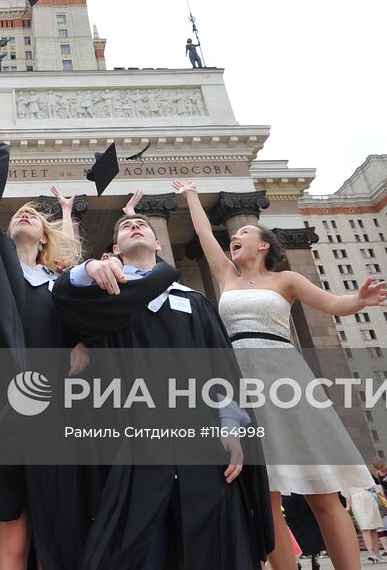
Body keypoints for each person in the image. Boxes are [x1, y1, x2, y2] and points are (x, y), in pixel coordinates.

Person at [178, 180, 385, 570]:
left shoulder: (286, 280)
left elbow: (334, 303)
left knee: (323, 493)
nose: (233, 236)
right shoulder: (225, 275)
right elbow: (205, 233)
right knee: (266, 495)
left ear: (264, 245)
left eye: (242, 233)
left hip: (286, 381)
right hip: (243, 384)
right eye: (232, 234)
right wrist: (190, 194)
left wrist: (359, 299)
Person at [53, 212, 274, 569]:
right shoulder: (107, 298)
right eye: (125, 226)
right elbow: (65, 299)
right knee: (138, 547)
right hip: (130, 441)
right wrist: (88, 267)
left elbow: (221, 370)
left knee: (210, 547)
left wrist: (232, 428)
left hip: (200, 441)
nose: (135, 226)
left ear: (159, 243)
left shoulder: (195, 301)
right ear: (115, 249)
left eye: (143, 225)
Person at [0, 99, 88, 570]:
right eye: (19, 214)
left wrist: (80, 342)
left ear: (48, 238)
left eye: (35, 214)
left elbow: (87, 325)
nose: (25, 215)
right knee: (13, 534)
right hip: (3, 408)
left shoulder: (59, 285)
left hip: (55, 410)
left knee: (51, 527)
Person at [347, 485, 385, 563]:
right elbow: (346, 492)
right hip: (357, 499)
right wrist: (348, 506)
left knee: (373, 528)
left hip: (366, 497)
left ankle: (376, 554)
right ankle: (371, 553)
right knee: (365, 527)